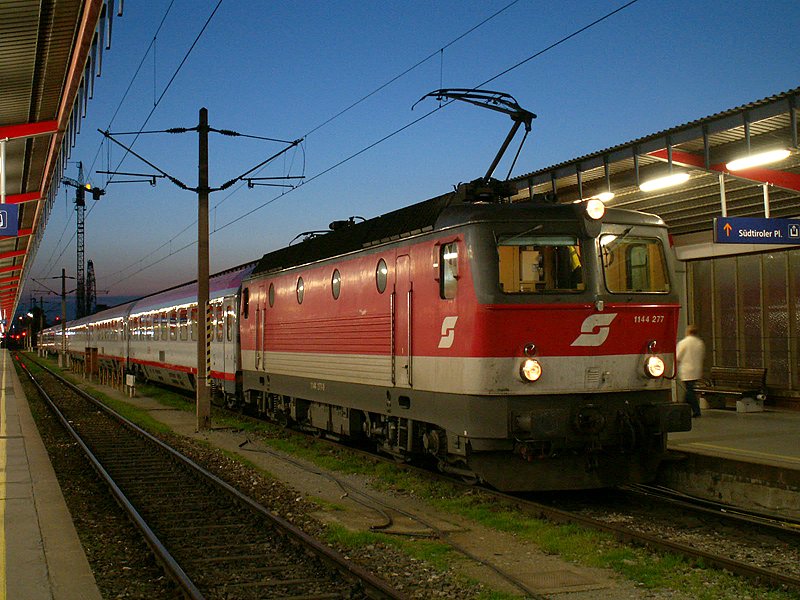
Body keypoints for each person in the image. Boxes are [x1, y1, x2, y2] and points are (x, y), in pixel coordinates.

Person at [676, 324, 705, 417]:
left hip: (686, 370)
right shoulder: (700, 343)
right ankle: (685, 409)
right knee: (689, 390)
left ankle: (693, 410)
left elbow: (677, 356)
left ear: (688, 332)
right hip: (696, 370)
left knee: (689, 391)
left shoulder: (683, 343)